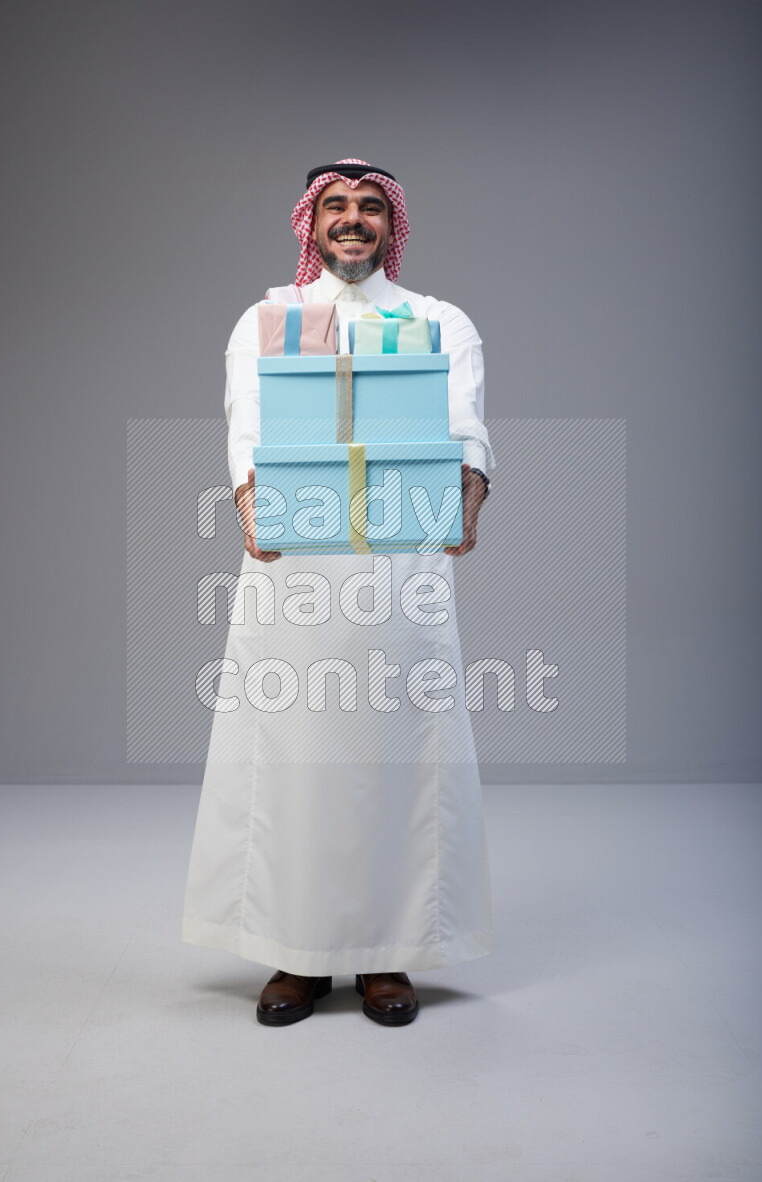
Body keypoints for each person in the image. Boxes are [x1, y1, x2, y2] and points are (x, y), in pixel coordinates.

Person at [182, 159, 495, 1027]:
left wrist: (467, 491)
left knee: (394, 757)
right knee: (295, 757)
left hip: (400, 571)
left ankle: (388, 958)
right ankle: (296, 954)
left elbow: (465, 423)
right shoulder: (269, 320)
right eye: (335, 207)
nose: (352, 220)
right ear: (309, 224)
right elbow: (246, 420)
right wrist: (251, 502)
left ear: (391, 226)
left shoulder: (438, 321)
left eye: (367, 208)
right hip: (296, 571)